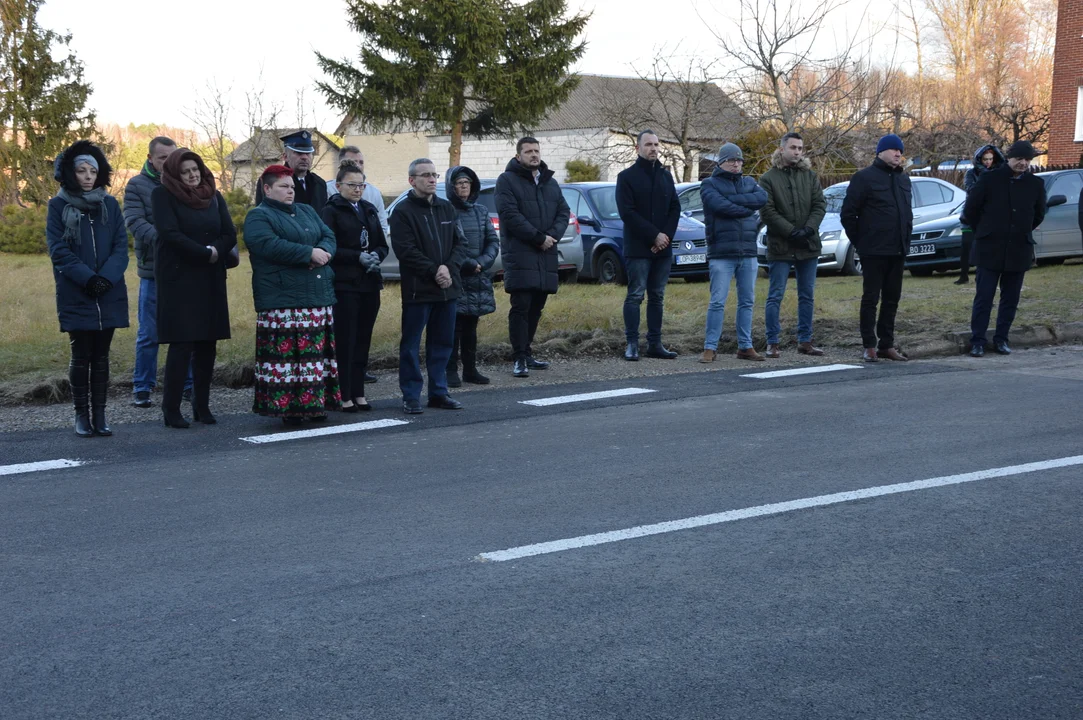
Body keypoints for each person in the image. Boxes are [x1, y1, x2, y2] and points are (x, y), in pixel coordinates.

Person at [244, 164, 341, 425]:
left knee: (313, 358)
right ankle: (289, 410)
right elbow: (266, 244)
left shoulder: (307, 211)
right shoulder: (258, 216)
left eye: (292, 187)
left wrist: (324, 253)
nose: (290, 191)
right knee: (288, 360)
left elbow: (329, 235)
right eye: (284, 187)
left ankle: (314, 405)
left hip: (316, 297)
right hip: (282, 302)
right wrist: (307, 254)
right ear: (267, 189)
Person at [46, 140, 129, 437]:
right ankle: (81, 415)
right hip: (77, 292)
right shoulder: (58, 206)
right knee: (81, 355)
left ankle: (100, 415)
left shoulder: (109, 204)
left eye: (92, 170)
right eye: (81, 170)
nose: (87, 175)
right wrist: (88, 279)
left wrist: (105, 278)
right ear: (70, 173)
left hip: (108, 291)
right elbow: (58, 250)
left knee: (102, 356)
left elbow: (121, 247)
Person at [151, 149, 238, 428]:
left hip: (210, 276)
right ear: (176, 173)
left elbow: (229, 233)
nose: (192, 174)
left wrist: (215, 251)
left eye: (195, 169)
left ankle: (202, 406)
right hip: (180, 277)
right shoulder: (162, 195)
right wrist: (205, 253)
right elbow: (169, 233)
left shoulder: (213, 195)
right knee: (182, 343)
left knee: (207, 343)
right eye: (186, 170)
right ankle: (172, 408)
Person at [391, 158, 467, 414]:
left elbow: (460, 244)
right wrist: (434, 270)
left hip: (448, 289)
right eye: (425, 175)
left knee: (443, 344)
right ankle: (411, 395)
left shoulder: (447, 208)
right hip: (418, 290)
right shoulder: (403, 212)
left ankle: (439, 392)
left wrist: (448, 268)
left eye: (434, 174)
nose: (432, 179)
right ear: (412, 180)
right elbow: (406, 251)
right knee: (411, 346)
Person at [124, 136, 191, 407]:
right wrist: (169, 241)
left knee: (186, 331)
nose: (168, 162)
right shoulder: (137, 185)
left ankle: (188, 385)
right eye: (163, 157)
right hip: (154, 270)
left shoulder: (184, 182)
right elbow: (135, 222)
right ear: (151, 158)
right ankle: (143, 386)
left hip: (185, 269)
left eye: (171, 157)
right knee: (150, 333)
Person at [962, 141, 1047, 357]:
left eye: (1027, 160)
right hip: (989, 247)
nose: (1023, 163)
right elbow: (971, 209)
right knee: (984, 298)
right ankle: (978, 341)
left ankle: (1002, 339)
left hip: (1018, 248)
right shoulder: (990, 179)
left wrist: (1022, 229)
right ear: (1009, 158)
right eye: (1019, 158)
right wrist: (985, 230)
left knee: (1010, 299)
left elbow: (1038, 214)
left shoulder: (1035, 184)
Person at [496, 136, 570, 378]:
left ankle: (527, 353)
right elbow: (510, 215)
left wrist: (551, 236)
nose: (534, 155)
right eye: (528, 151)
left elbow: (563, 211)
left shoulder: (550, 182)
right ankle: (518, 357)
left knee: (537, 306)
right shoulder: (506, 181)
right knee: (521, 306)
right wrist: (538, 238)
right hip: (521, 254)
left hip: (545, 253)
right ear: (518, 156)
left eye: (536, 150)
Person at [321, 161, 388, 411]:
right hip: (345, 284)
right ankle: (344, 393)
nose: (357, 189)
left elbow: (381, 243)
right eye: (352, 185)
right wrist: (355, 256)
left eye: (361, 185)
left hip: (369, 283)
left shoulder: (368, 209)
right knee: (346, 341)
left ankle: (359, 391)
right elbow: (330, 246)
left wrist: (375, 257)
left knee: (363, 339)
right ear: (339, 186)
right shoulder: (332, 210)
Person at [840, 134, 914, 362]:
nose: (898, 154)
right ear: (880, 152)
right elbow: (848, 214)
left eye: (900, 150)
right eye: (893, 149)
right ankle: (869, 345)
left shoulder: (904, 180)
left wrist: (906, 239)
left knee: (892, 298)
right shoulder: (864, 178)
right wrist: (862, 242)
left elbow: (906, 213)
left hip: (898, 249)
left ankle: (886, 344)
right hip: (873, 250)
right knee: (871, 298)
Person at [759, 132, 827, 358]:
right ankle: (772, 342)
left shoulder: (810, 176)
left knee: (807, 294)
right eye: (793, 148)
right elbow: (767, 210)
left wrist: (808, 229)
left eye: (800, 148)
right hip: (780, 245)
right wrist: (790, 231)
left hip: (808, 244)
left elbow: (819, 204)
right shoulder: (768, 178)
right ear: (782, 149)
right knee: (775, 294)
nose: (797, 152)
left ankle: (805, 341)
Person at [699, 142, 768, 362]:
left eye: (739, 160)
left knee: (747, 301)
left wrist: (735, 201)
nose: (736, 164)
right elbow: (719, 207)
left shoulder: (749, 182)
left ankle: (745, 346)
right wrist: (746, 210)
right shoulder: (709, 184)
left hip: (747, 251)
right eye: (731, 160)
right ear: (721, 162)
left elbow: (762, 199)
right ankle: (710, 347)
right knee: (717, 301)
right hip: (721, 253)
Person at [615, 129, 681, 361]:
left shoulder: (665, 175)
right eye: (648, 145)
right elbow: (627, 213)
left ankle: (655, 343)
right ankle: (632, 343)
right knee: (635, 295)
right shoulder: (626, 177)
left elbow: (675, 207)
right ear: (638, 148)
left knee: (657, 296)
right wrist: (654, 236)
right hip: (638, 247)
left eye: (656, 144)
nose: (653, 148)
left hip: (663, 248)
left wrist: (665, 237)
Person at [445, 166, 500, 386]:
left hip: (478, 276)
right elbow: (449, 243)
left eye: (467, 182)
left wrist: (481, 263)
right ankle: (450, 371)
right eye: (459, 183)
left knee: (471, 327)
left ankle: (470, 369)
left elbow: (493, 242)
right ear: (452, 187)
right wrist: (467, 264)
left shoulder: (481, 211)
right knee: (453, 327)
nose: (464, 186)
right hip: (458, 275)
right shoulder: (447, 210)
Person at [956, 144, 1005, 285]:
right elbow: (971, 191)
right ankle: (963, 275)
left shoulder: (997, 173)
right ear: (980, 159)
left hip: (989, 216)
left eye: (990, 159)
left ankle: (980, 274)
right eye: (985, 159)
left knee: (984, 247)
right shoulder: (972, 173)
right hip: (971, 215)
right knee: (967, 246)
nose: (988, 162)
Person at [255, 130, 328, 215]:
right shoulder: (270, 181)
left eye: (308, 153)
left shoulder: (320, 183)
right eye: (299, 153)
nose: (304, 157)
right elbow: (263, 215)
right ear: (285, 157)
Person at [325, 146, 390, 240]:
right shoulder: (327, 189)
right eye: (354, 162)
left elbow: (382, 225)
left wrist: (377, 250)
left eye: (361, 162)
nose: (358, 165)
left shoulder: (374, 192)